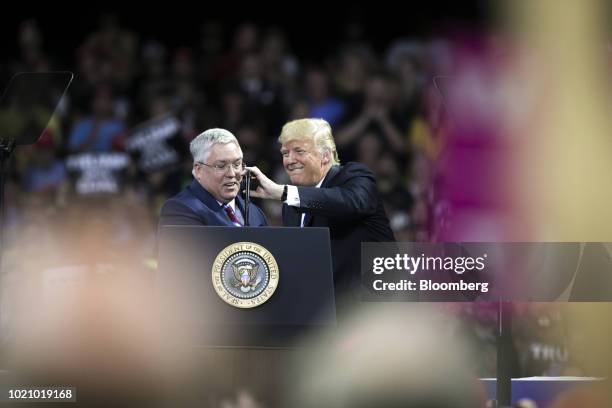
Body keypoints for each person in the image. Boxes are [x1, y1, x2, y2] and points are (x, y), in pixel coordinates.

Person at [247, 118, 394, 309]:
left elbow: (350, 203)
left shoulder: (355, 176)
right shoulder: (291, 204)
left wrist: (283, 192)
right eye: (285, 153)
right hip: (323, 312)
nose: (289, 160)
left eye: (299, 151)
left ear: (325, 155)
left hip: (374, 310)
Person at [159, 128, 267, 227]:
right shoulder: (180, 209)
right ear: (199, 170)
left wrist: (282, 193)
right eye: (220, 166)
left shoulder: (255, 212)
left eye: (236, 164)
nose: (232, 173)